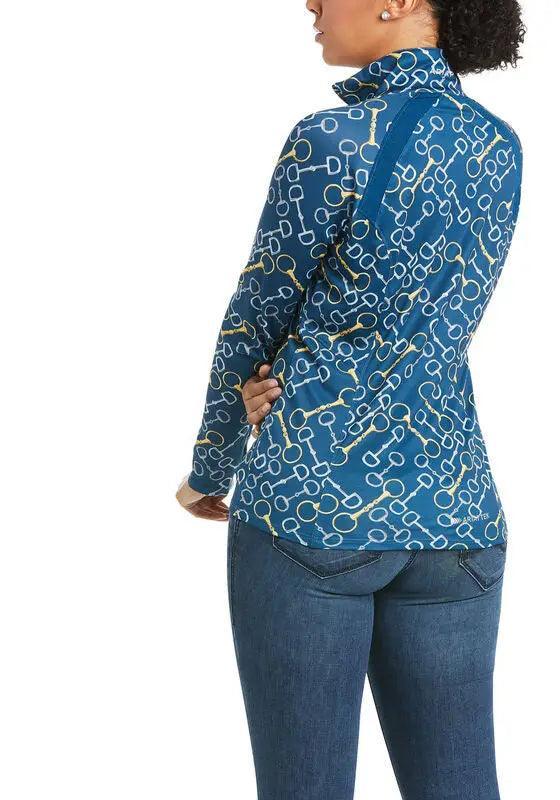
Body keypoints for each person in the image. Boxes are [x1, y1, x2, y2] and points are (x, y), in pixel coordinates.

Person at [177, 1, 525, 797]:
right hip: (457, 513)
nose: (311, 2)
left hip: (315, 504)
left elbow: (256, 317)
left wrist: (209, 468)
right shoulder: (499, 145)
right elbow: (424, 316)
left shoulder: (334, 139)